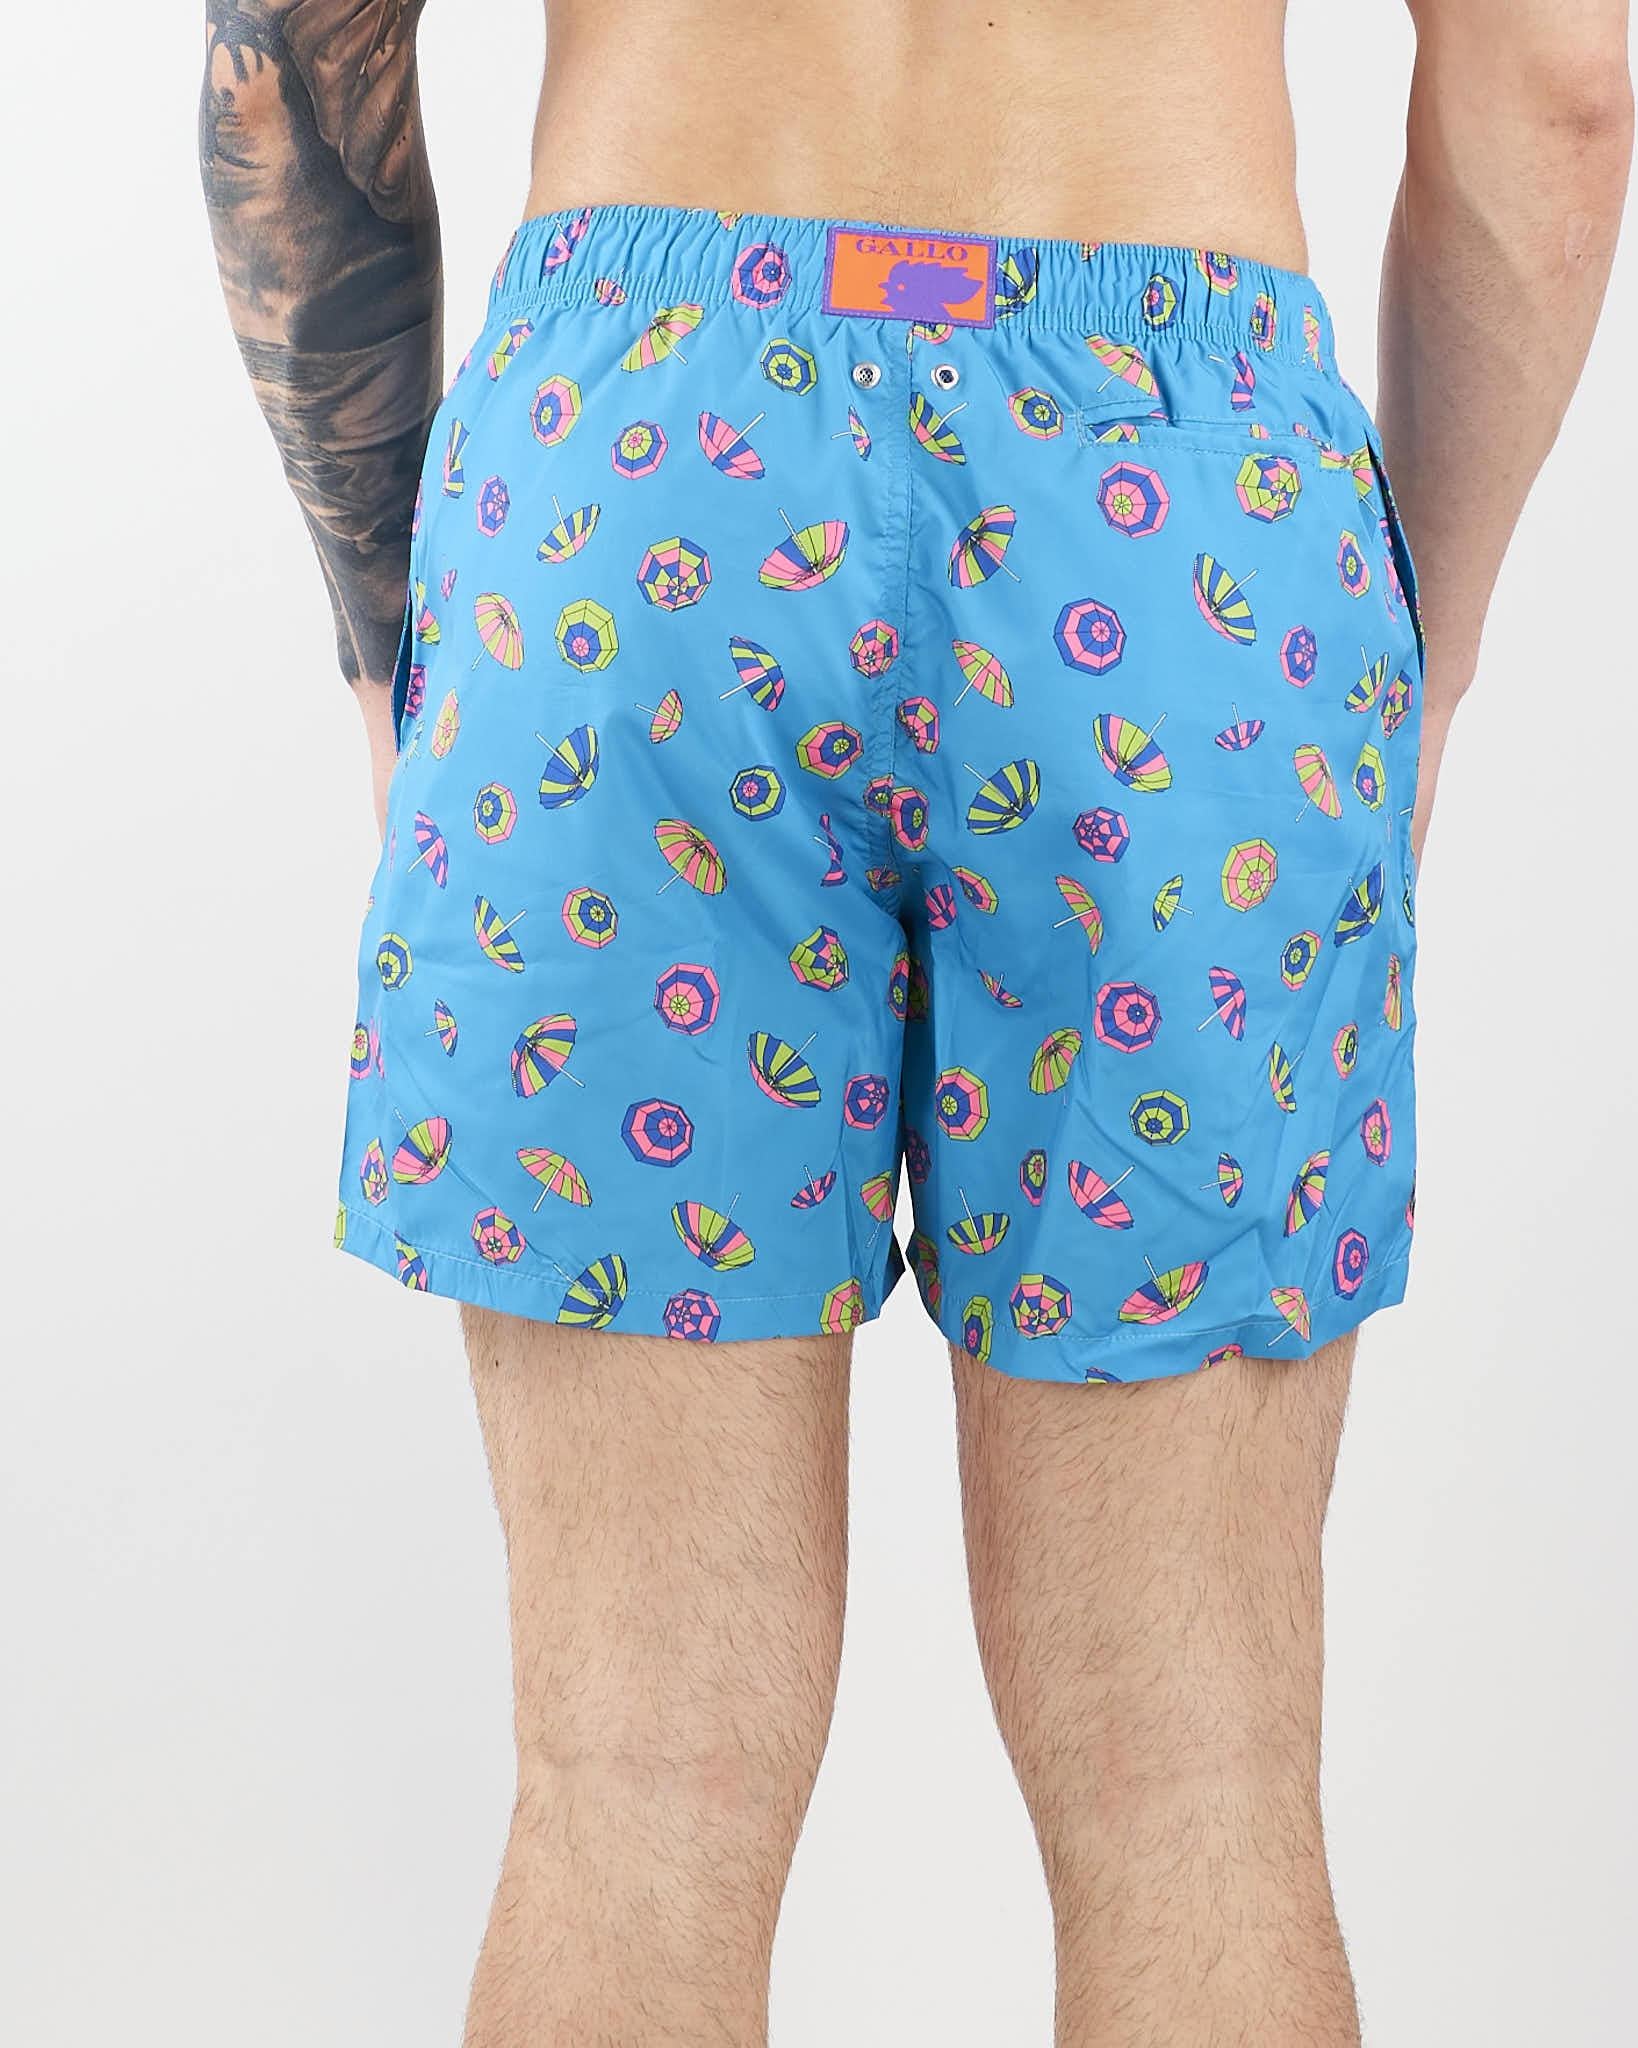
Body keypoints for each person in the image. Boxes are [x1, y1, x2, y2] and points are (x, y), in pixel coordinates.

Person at [200, 3, 1632, 2041]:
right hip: (1177, 516)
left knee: (627, 1795)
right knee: (1197, 1793)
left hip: (637, 507)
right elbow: (1558, 78)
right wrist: (1433, 641)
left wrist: (384, 642)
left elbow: (283, 46)